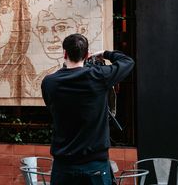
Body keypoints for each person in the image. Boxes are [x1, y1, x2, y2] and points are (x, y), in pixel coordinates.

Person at [41, 33, 134, 185]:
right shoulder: (98, 77)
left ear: (65, 53)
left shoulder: (49, 83)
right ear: (87, 54)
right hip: (95, 164)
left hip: (63, 165)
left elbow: (51, 108)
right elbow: (127, 62)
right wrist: (105, 54)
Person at [28, 0, 102, 96]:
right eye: (42, 30)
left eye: (61, 27)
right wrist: (105, 53)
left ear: (82, 29)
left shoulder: (92, 77)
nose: (50, 38)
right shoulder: (41, 80)